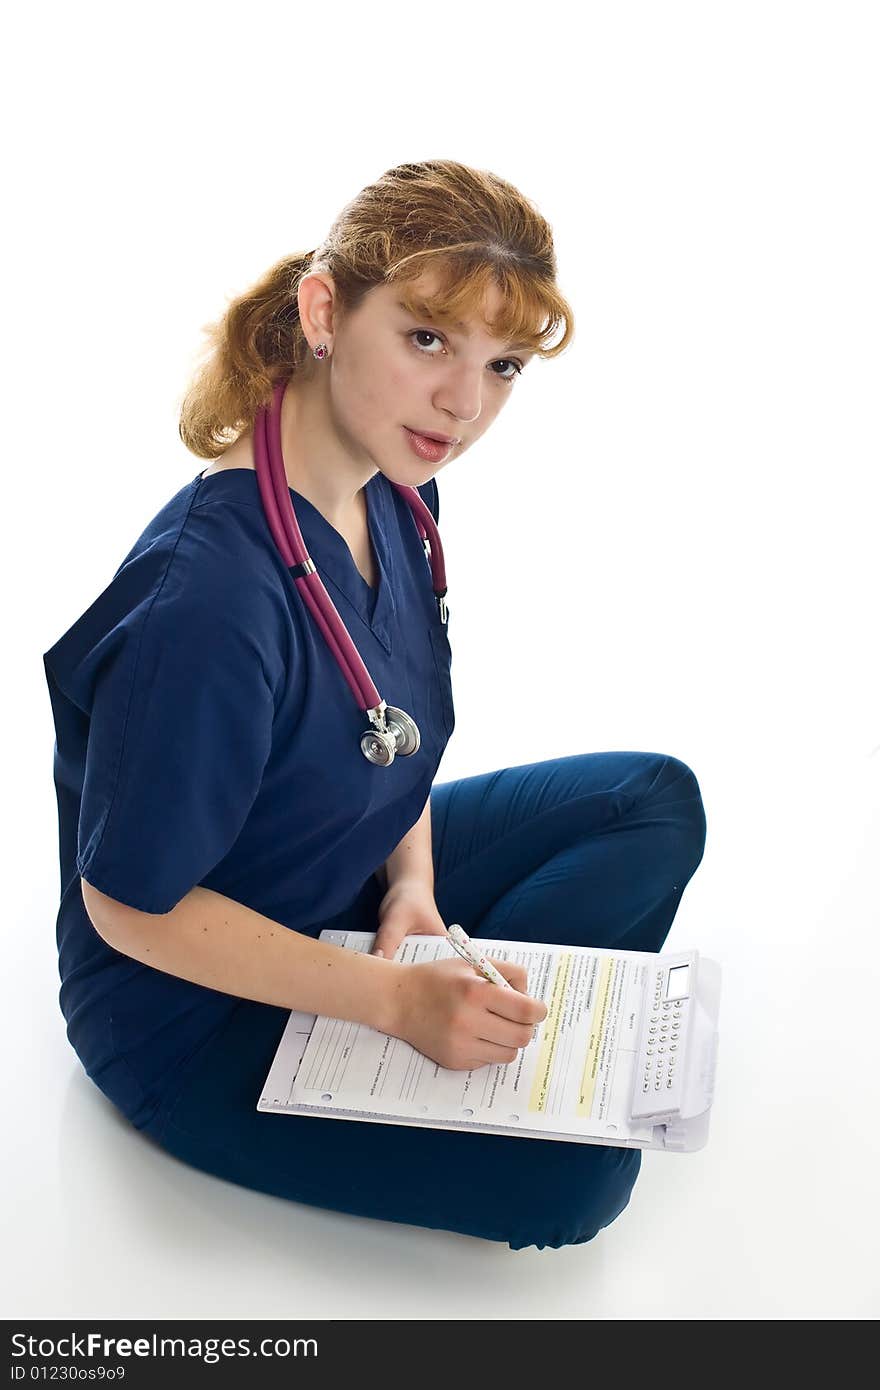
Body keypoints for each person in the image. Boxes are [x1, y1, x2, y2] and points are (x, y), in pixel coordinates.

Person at [42, 157, 707, 1251]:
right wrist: (389, 1000)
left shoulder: (397, 492)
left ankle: (475, 1021)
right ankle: (457, 1035)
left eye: (502, 366)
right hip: (190, 1012)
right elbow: (127, 905)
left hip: (342, 886)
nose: (466, 402)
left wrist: (413, 895)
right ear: (322, 310)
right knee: (576, 1187)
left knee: (649, 802)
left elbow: (389, 731)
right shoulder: (205, 605)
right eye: (427, 339)